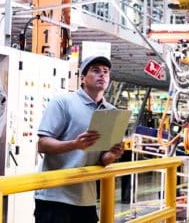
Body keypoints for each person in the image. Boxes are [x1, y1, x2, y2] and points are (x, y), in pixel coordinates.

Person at [34, 55, 125, 223]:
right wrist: (74, 144)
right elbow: (42, 144)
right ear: (82, 78)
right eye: (95, 71)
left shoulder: (111, 112)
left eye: (106, 72)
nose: (102, 75)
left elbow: (102, 160)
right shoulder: (63, 103)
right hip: (55, 197)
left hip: (86, 199)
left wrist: (113, 154)